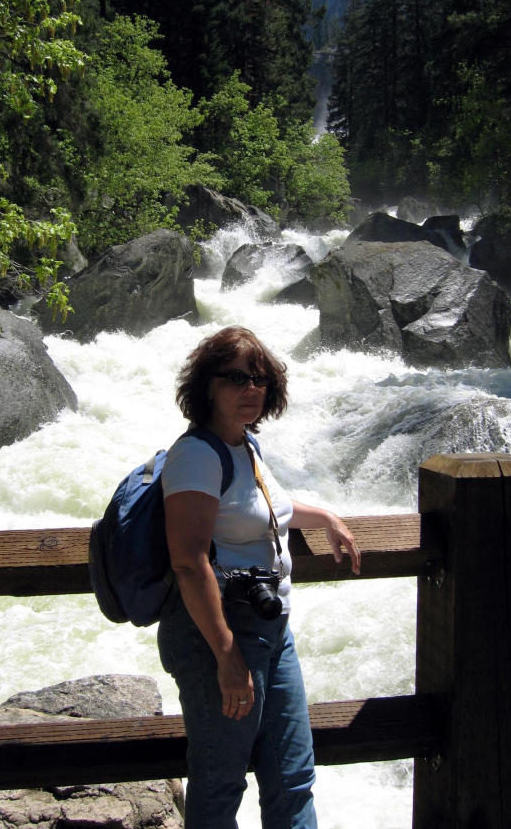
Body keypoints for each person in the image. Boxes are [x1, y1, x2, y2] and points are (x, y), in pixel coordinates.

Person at [158, 325, 361, 829]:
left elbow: (267, 511)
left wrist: (327, 518)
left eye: (260, 380)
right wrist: (227, 656)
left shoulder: (245, 446)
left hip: (271, 630)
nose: (251, 390)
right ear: (207, 385)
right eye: (235, 378)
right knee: (221, 779)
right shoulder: (195, 456)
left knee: (292, 775)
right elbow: (188, 561)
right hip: (219, 635)